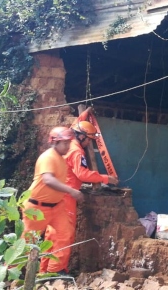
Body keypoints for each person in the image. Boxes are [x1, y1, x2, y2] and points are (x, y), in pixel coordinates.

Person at [42, 115, 119, 273]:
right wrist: (106, 178)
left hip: (55, 196)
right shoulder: (77, 151)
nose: (89, 143)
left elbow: (76, 124)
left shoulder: (66, 144)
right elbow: (82, 174)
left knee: (51, 234)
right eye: (89, 139)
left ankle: (43, 271)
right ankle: (55, 272)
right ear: (81, 136)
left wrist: (86, 113)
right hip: (66, 197)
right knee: (65, 234)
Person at [22, 127, 84, 274]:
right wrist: (71, 191)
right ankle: (13, 273)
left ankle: (54, 272)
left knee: (65, 234)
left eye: (69, 143)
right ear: (54, 142)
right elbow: (48, 179)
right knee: (28, 242)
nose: (68, 146)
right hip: (36, 207)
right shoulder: (48, 157)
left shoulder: (61, 159)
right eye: (65, 143)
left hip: (57, 207)